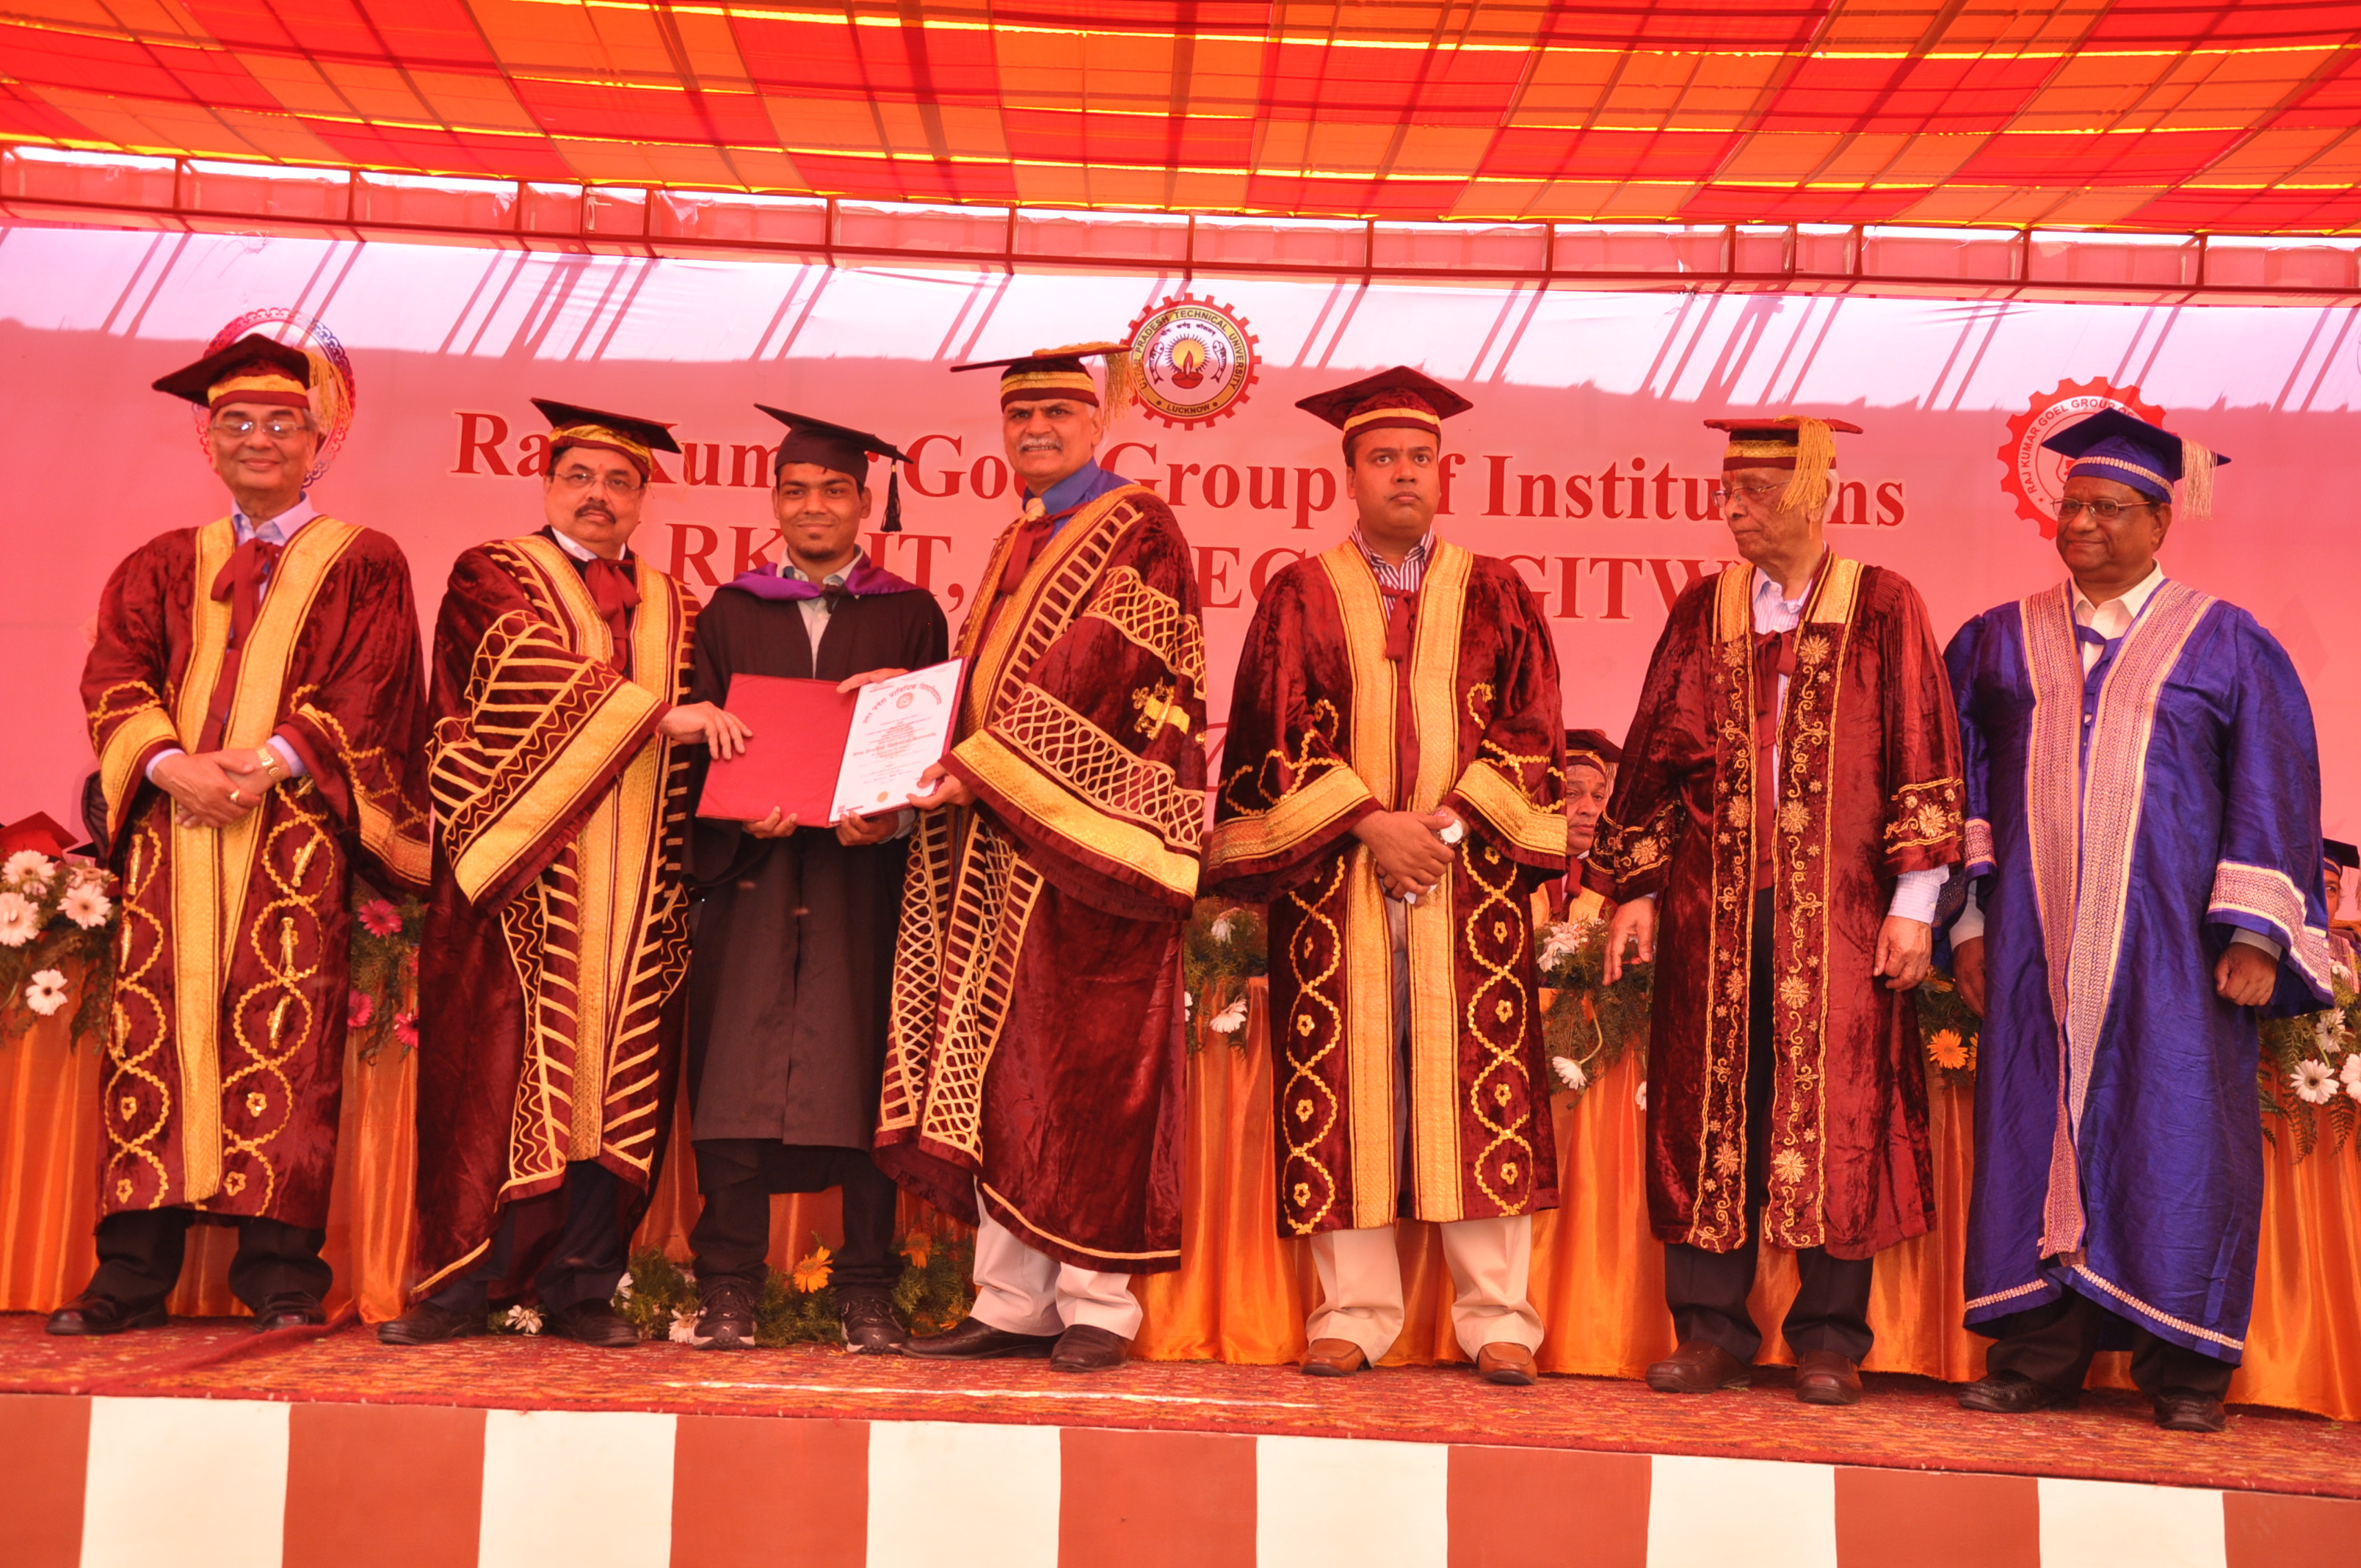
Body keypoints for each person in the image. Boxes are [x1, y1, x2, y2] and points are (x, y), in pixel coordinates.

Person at [1946, 410, 2329, 1434]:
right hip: (2032, 943)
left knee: (2179, 1135)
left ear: (2161, 521)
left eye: (2108, 509)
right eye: (2071, 506)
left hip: (2175, 952)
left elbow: (2274, 787)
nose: (2082, 525)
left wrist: (2257, 935)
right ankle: (2039, 1356)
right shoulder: (1996, 640)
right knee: (2035, 1129)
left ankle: (2186, 1371)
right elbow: (1961, 784)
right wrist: (1969, 922)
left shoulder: (2229, 642)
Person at [55, 335, 427, 1335]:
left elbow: (372, 685)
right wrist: (170, 764)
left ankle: (282, 1277)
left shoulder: (364, 561)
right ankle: (130, 1274)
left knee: (283, 1037)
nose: (259, 439)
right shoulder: (160, 563)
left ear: (318, 442)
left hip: (291, 838)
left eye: (281, 423)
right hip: (171, 838)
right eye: (237, 423)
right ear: (209, 440)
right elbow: (114, 676)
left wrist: (263, 763)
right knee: (153, 1034)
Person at [1588, 415, 1962, 1406]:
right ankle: (1710, 1331)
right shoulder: (1703, 610)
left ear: (1815, 493)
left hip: (1841, 914)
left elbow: (1920, 748)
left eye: (1753, 492)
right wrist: (1635, 888)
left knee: (1840, 1112)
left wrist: (1916, 900)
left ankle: (1829, 1338)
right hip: (1713, 909)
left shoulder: (1883, 605)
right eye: (1726, 490)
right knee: (1708, 1105)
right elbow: (1654, 754)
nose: (1732, 509)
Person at [1207, 367, 1567, 1386]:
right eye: (1383, 458)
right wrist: (1370, 824)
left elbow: (1532, 726)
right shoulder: (1301, 592)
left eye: (1419, 457)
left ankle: (1497, 1319)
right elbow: (1273, 730)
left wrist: (1444, 828)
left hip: (1468, 876)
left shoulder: (1497, 590)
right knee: (1342, 1083)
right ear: (1350, 474)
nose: (1404, 473)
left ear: (1442, 471)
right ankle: (1354, 1315)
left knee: (1480, 1084)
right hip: (1338, 878)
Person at [380, 401, 748, 1349]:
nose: (599, 495)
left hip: (642, 888)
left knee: (619, 1088)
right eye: (580, 477)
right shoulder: (493, 572)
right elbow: (514, 669)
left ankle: (584, 1285)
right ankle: (462, 1284)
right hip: (522, 882)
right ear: (547, 486)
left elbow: (726, 719)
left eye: (620, 482)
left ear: (644, 499)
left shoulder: (679, 605)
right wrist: (652, 716)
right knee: (496, 1080)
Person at [876, 343, 1205, 1373]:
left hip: (1091, 848)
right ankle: (1012, 1300)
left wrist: (982, 764)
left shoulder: (1137, 524)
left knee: (1084, 1067)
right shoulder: (1019, 537)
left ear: (1098, 423)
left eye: (1059, 412)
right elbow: (996, 677)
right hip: (1003, 836)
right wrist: (909, 708)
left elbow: (1101, 664)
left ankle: (1099, 1305)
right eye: (1021, 415)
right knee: (1003, 1066)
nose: (1037, 429)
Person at [681, 408, 949, 1352]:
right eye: (796, 491)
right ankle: (728, 1286)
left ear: (865, 505)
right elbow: (701, 742)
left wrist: (895, 818)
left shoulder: (910, 613)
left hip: (862, 885)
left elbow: (933, 749)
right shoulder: (729, 611)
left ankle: (867, 1287)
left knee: (863, 1069)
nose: (814, 506)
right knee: (733, 1075)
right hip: (753, 877)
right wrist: (734, 810)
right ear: (774, 504)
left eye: (834, 490)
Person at [2322, 839, 2357, 972]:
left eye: (2331, 889)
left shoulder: (2355, 955)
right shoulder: (2270, 953)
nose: (2323, 899)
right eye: (2313, 886)